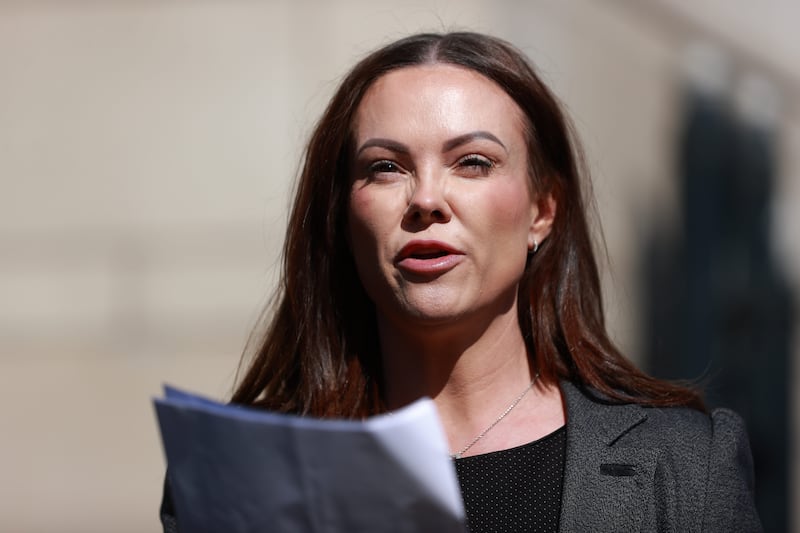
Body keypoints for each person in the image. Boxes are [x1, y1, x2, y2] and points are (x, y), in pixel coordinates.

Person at [161, 32, 762, 532]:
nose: (426, 199)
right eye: (385, 167)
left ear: (542, 209)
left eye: (472, 162)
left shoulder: (684, 465)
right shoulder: (243, 476)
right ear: (343, 216)